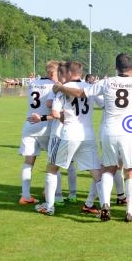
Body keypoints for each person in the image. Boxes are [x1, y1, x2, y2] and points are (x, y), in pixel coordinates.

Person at [53, 53, 132, 222]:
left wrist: (61, 87)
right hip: (128, 132)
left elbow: (81, 92)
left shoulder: (106, 82)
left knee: (108, 169)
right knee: (131, 171)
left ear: (116, 68)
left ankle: (105, 205)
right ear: (131, 68)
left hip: (108, 131)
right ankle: (130, 212)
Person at [34, 61, 103, 216]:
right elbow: (103, 104)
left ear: (69, 73)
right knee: (96, 173)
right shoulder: (90, 87)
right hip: (88, 135)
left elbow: (56, 113)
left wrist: (66, 121)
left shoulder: (62, 90)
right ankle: (105, 206)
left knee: (52, 168)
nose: (61, 76)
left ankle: (49, 206)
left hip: (69, 134)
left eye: (62, 73)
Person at [18, 60, 58, 205]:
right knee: (54, 162)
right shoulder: (54, 86)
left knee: (29, 161)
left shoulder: (32, 83)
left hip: (29, 125)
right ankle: (52, 194)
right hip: (46, 126)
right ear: (52, 73)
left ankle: (25, 195)